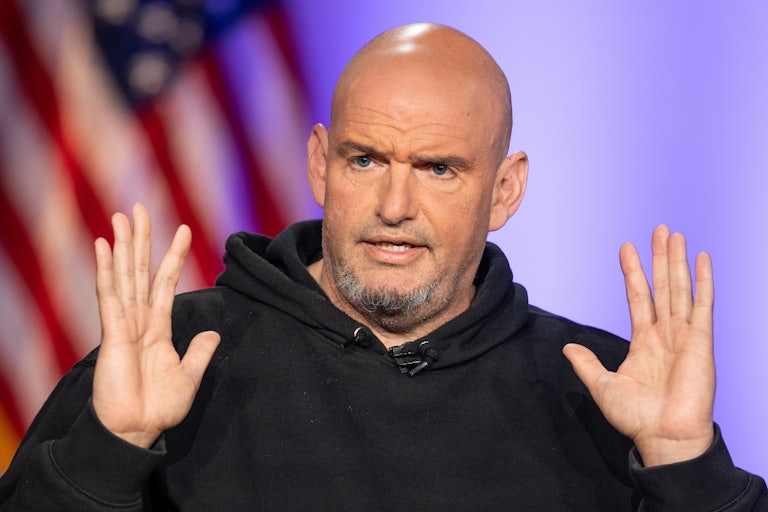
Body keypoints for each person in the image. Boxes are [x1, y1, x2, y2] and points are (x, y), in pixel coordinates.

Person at [0, 22, 765, 511]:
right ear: (320, 166)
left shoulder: (604, 389)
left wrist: (685, 469)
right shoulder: (166, 360)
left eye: (438, 169)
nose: (394, 205)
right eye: (365, 159)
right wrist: (106, 455)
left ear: (505, 190)